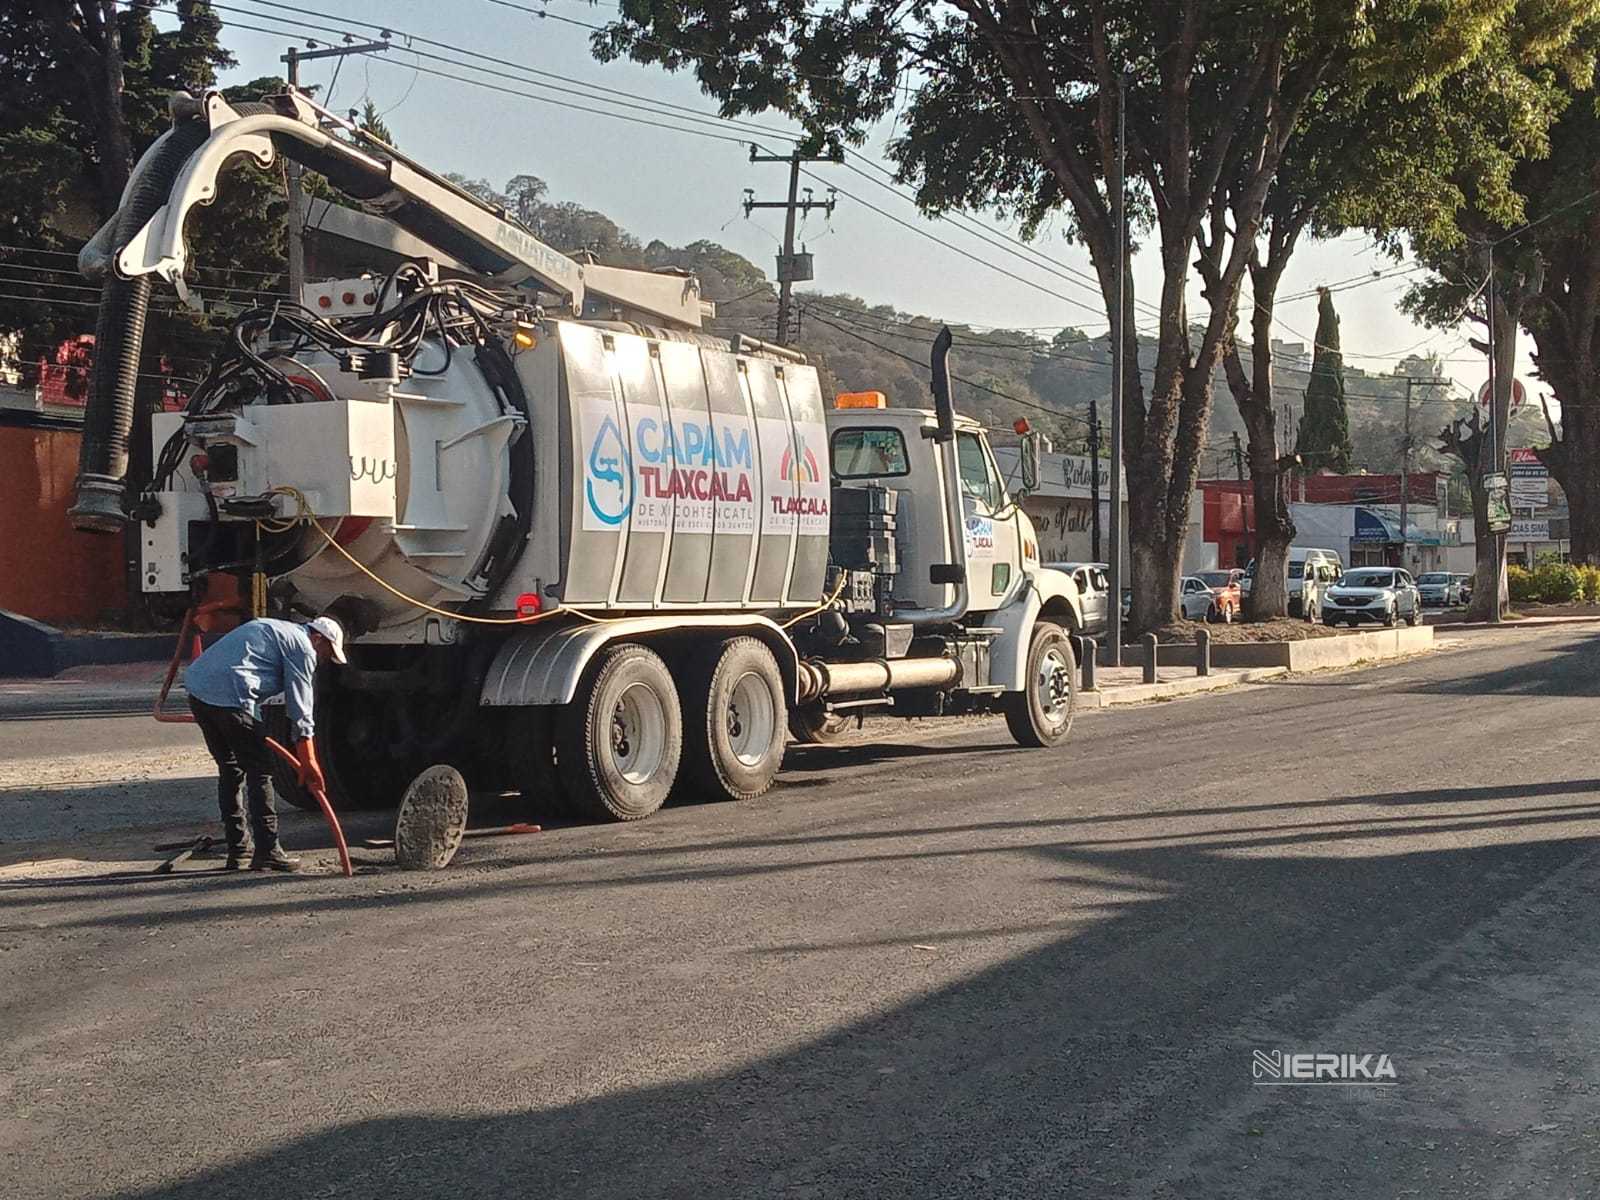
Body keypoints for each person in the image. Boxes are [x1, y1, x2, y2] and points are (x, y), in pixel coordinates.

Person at [184, 615, 347, 871]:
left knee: (231, 769)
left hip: (200, 694)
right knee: (260, 771)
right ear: (318, 639)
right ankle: (268, 850)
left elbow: (248, 672)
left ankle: (238, 850)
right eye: (326, 653)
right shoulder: (303, 647)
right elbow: (300, 709)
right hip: (230, 698)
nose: (323, 660)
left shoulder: (275, 628)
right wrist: (309, 760)